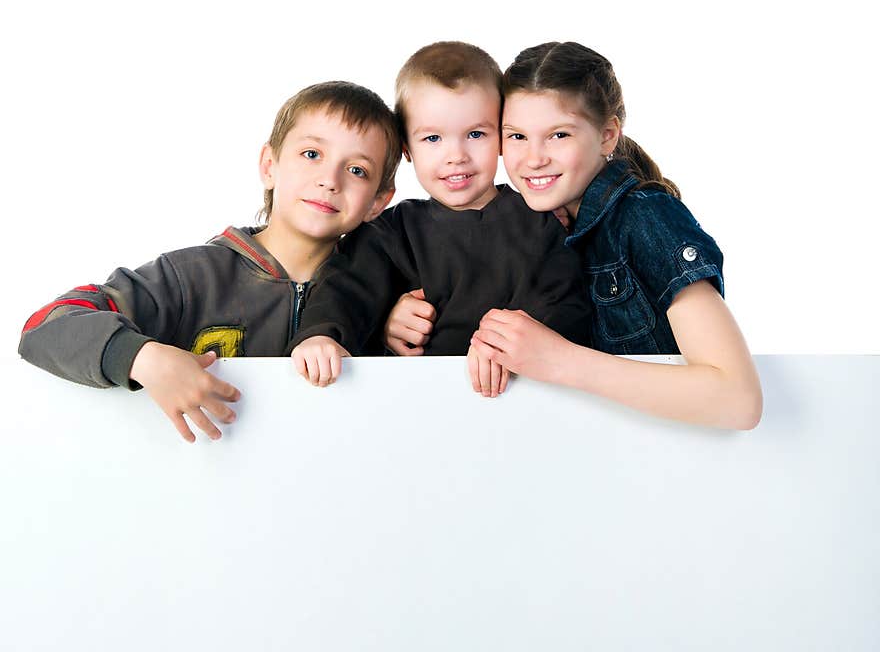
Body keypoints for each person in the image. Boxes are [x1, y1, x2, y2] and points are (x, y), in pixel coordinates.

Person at [390, 41, 762, 429]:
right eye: (516, 136)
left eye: (559, 135)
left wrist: (562, 360)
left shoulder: (645, 217)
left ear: (607, 135)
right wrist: (395, 320)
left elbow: (738, 399)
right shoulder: (529, 228)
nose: (534, 158)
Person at [18, 81, 401, 441]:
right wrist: (143, 357)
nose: (330, 179)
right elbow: (46, 324)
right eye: (312, 154)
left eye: (357, 170)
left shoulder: (387, 297)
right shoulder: (190, 278)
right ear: (270, 165)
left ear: (378, 201)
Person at [290, 42, 591, 397]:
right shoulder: (391, 232)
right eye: (432, 138)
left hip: (522, 401)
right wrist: (326, 335)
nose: (456, 156)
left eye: (475, 134)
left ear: (501, 137)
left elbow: (569, 305)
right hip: (417, 405)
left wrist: (512, 341)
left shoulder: (539, 221)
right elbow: (347, 290)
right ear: (407, 150)